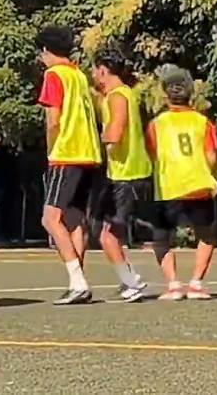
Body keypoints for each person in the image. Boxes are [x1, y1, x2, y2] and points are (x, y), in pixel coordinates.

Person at [37, 25, 102, 305]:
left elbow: (54, 120)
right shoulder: (78, 75)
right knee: (74, 219)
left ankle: (77, 281)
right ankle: (79, 281)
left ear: (45, 50)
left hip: (67, 152)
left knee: (50, 219)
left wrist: (51, 149)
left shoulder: (54, 74)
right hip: (89, 153)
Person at [145, 66, 217, 300]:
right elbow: (212, 155)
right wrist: (209, 173)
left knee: (161, 239)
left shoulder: (157, 124)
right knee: (206, 235)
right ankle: (196, 283)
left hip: (168, 186)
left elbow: (151, 154)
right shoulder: (202, 122)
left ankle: (173, 285)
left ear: (166, 94)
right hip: (198, 185)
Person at [90, 47, 151, 302]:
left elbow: (115, 133)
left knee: (108, 235)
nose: (93, 75)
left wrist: (97, 141)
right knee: (108, 232)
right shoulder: (124, 93)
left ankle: (131, 283)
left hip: (126, 175)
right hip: (124, 173)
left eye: (95, 70)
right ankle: (130, 279)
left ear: (103, 70)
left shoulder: (116, 96)